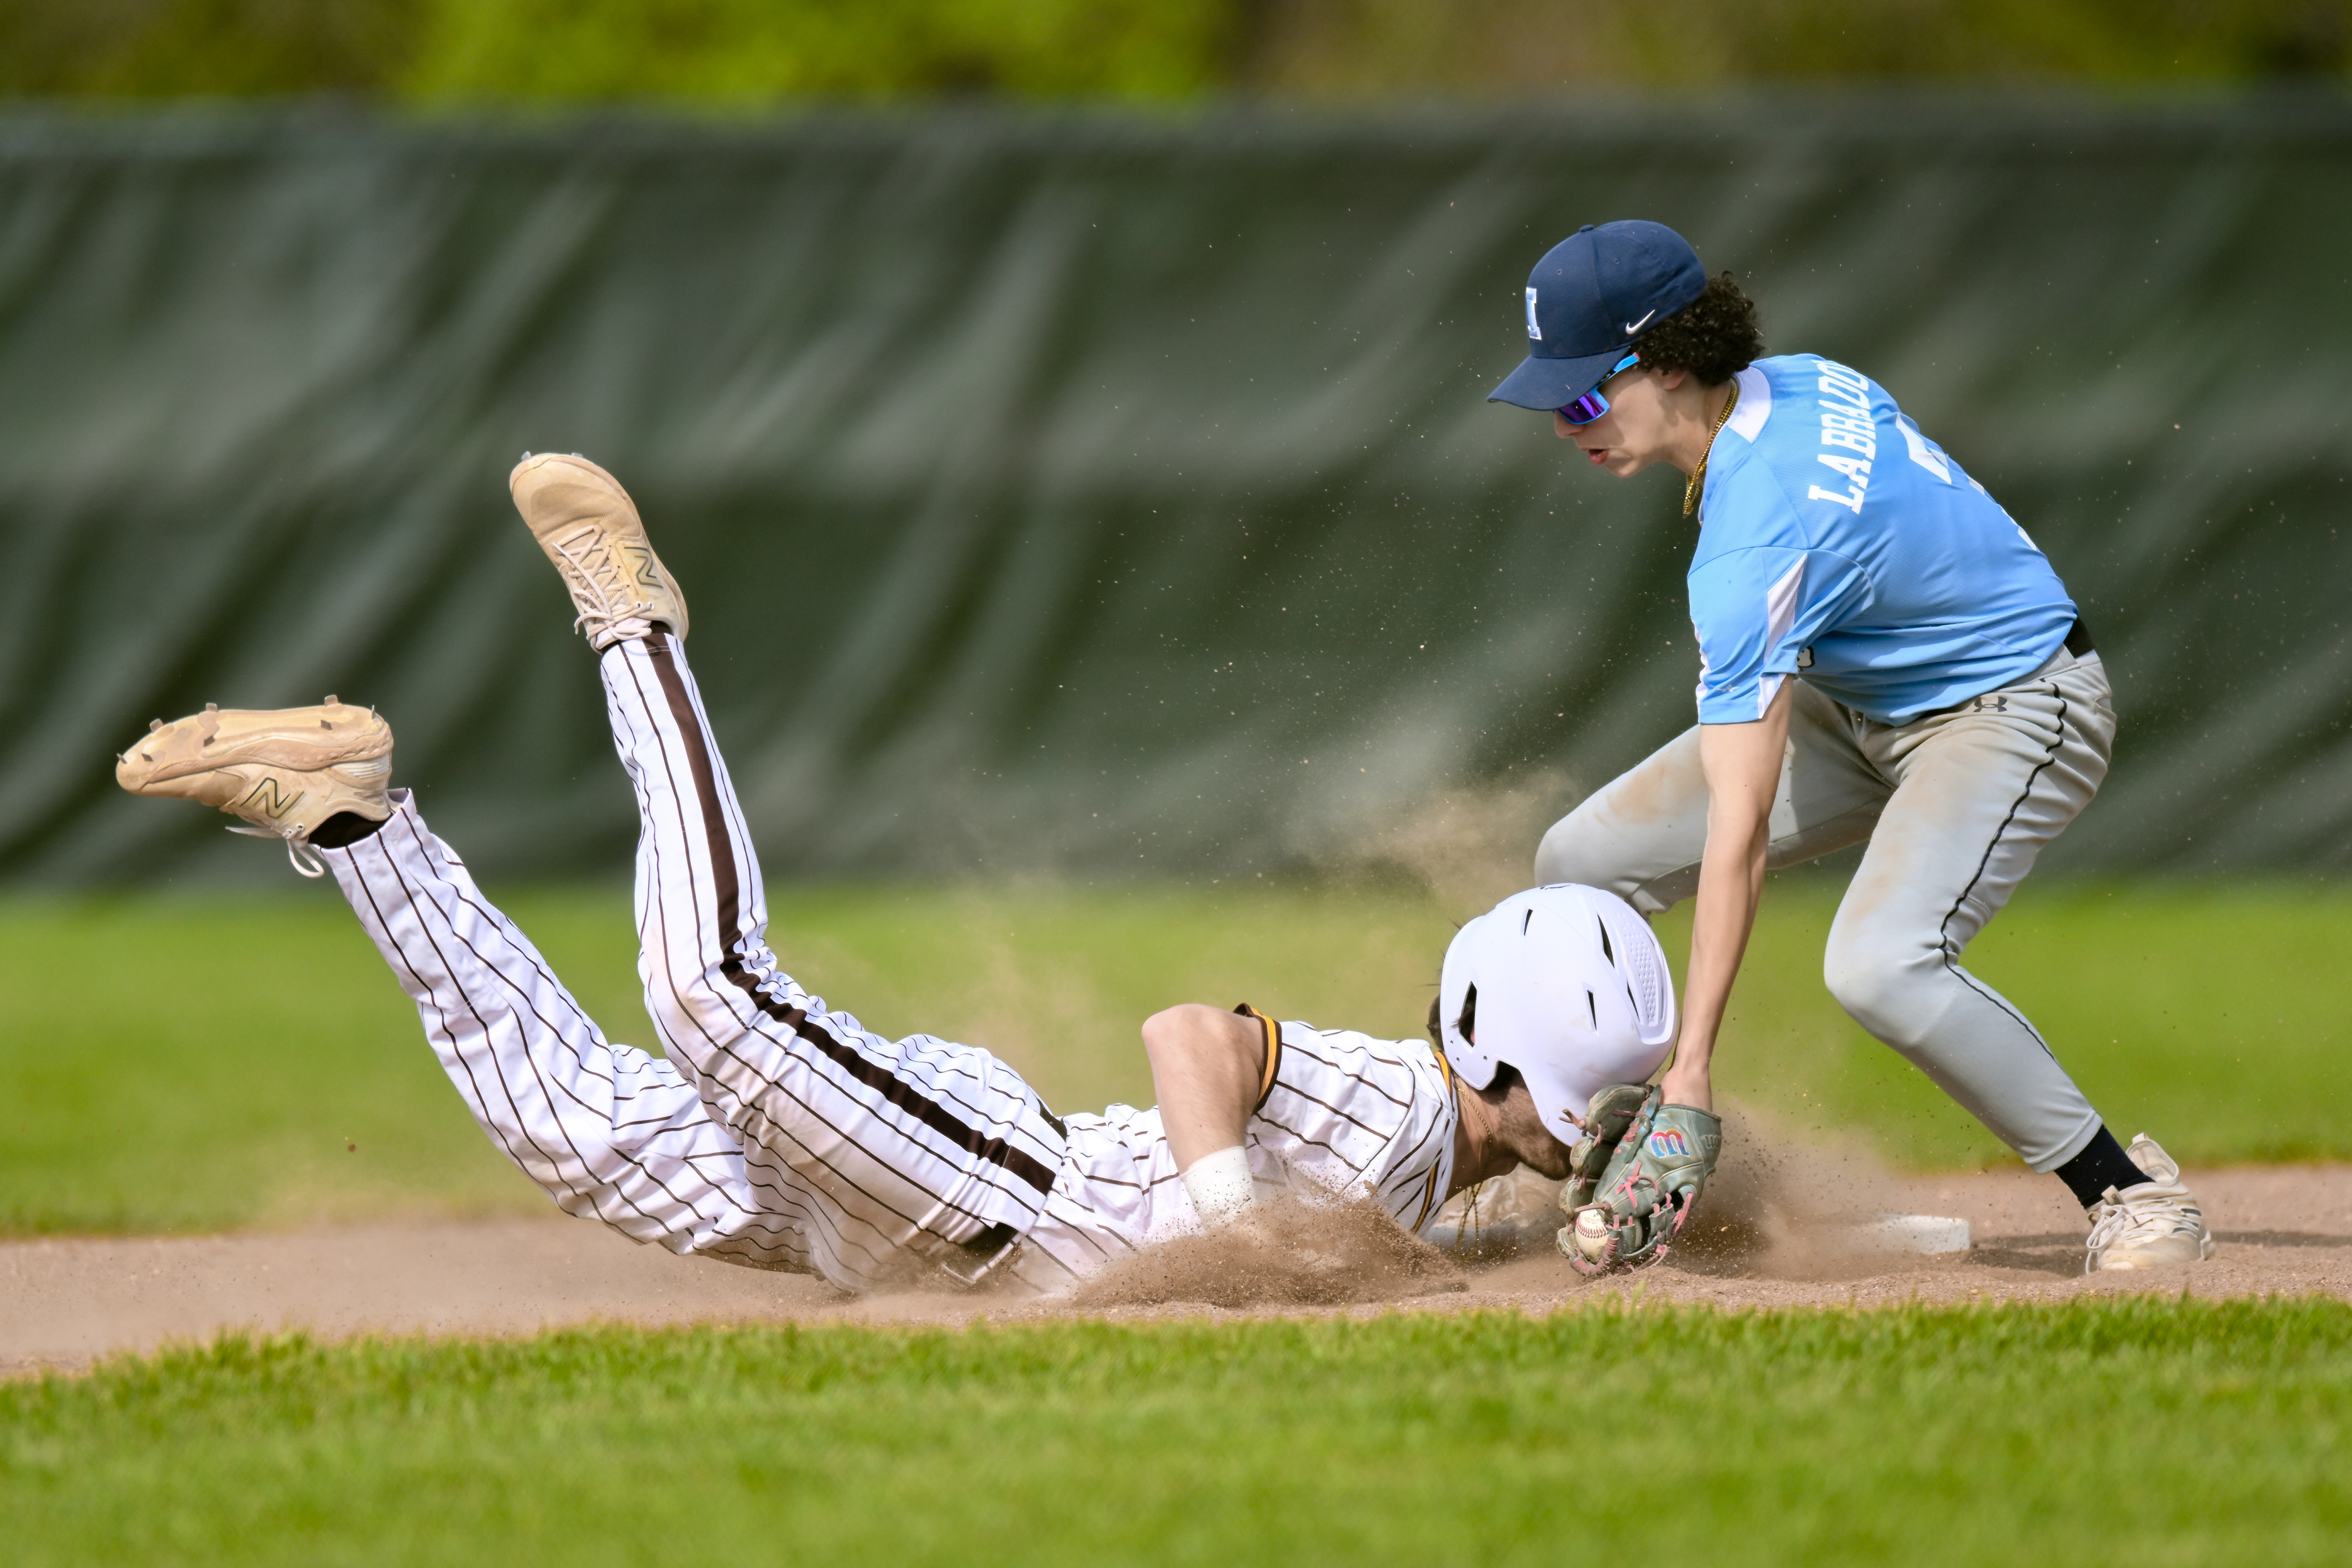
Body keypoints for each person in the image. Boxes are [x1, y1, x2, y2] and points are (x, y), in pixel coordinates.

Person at [115, 455, 1683, 1294]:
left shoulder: (1459, 1182)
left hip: (896, 1236)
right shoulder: (1406, 1106)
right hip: (995, 1189)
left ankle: (360, 823)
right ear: (1506, 1060)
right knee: (707, 991)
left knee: (567, 1126)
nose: (1598, 1133)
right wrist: (1235, 1233)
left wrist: (1881, 1238)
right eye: (1589, 1099)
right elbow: (1191, 1039)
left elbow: (1536, 1242)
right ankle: (631, 621)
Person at [1487, 219, 2213, 1273]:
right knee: (1578, 869)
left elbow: (1736, 831)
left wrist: (1694, 1062)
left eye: (1585, 394)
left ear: (1674, 362)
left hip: (2012, 706)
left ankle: (2131, 1196)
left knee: (1881, 967)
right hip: (1861, 702)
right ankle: (1612, 1145)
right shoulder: (1796, 379)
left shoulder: (1757, 539)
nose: (1564, 423)